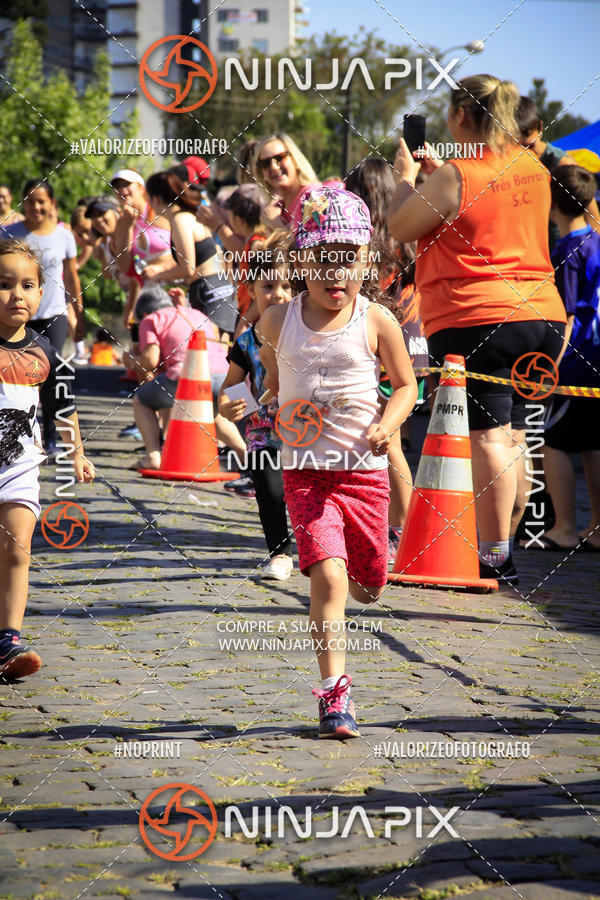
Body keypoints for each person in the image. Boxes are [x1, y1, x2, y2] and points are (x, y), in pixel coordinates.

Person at [387, 75, 567, 587]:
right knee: (510, 436)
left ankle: (496, 556)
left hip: (478, 317)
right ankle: (502, 538)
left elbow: (401, 226)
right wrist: (436, 177)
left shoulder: (456, 174)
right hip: (540, 315)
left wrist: (405, 179)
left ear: (461, 116)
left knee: (487, 439)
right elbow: (485, 215)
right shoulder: (530, 165)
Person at [260, 188, 417, 738]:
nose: (336, 272)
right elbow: (272, 373)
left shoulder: (375, 320)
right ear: (302, 259)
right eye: (324, 259)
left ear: (365, 261)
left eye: (347, 259)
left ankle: (375, 560)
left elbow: (406, 386)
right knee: (328, 580)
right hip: (307, 476)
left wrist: (387, 425)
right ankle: (335, 696)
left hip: (364, 475)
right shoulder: (278, 319)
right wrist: (264, 396)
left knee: (369, 586)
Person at [0, 238, 94, 681]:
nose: (16, 294)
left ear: (40, 294)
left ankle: (8, 639)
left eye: (26, 285)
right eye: (3, 284)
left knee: (17, 550)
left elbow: (63, 406)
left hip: (20, 467)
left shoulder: (45, 351)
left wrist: (77, 451)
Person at [344, 158, 416, 562]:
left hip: (384, 347)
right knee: (393, 441)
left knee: (389, 444)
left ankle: (401, 531)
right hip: (415, 341)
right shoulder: (406, 231)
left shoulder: (372, 244)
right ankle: (399, 527)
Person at [219, 244, 294, 579]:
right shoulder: (246, 342)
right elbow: (230, 387)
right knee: (269, 490)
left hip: (307, 430)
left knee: (307, 491)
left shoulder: (307, 334)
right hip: (263, 431)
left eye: (286, 286)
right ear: (250, 291)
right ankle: (279, 553)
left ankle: (320, 546)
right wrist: (230, 405)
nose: (278, 295)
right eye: (268, 286)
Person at [541, 166, 600, 551]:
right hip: (597, 355)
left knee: (554, 441)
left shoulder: (566, 250)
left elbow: (568, 316)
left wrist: (551, 367)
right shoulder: (596, 240)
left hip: (574, 360)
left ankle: (563, 527)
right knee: (593, 442)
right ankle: (596, 527)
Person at [2, 179, 84, 455]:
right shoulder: (8, 232)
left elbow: (72, 277)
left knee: (48, 372)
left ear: (52, 204)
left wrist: (79, 314)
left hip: (52, 312)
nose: (35, 206)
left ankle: (49, 436)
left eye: (41, 201)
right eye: (30, 200)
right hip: (11, 314)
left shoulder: (64, 236)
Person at [132, 285, 243, 471]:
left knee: (141, 401)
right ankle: (245, 455)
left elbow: (150, 360)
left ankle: (152, 455)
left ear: (143, 312)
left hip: (189, 374)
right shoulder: (197, 314)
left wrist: (133, 361)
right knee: (213, 411)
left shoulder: (150, 320)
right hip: (223, 373)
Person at [143, 171, 238, 338]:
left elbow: (187, 268)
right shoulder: (190, 216)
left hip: (209, 292)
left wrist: (157, 276)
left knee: (211, 355)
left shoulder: (181, 220)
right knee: (218, 355)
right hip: (217, 288)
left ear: (156, 199)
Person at [110, 168, 172, 285]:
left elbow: (188, 249)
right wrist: (127, 226)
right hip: (153, 293)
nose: (122, 189)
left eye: (127, 184)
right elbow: (125, 267)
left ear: (141, 188)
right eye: (117, 186)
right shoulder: (121, 222)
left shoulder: (158, 210)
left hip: (180, 284)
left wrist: (161, 268)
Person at [253, 133, 321, 230]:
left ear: (295, 160)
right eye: (265, 163)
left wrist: (277, 225)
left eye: (280, 157)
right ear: (261, 173)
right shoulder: (275, 209)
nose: (274, 167)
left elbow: (315, 244)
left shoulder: (313, 197)